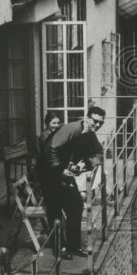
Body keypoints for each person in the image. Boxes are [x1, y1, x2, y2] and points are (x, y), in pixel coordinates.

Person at [41, 106, 105, 258]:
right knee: (55, 211)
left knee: (75, 205)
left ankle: (73, 246)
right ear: (87, 118)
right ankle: (59, 249)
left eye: (100, 123)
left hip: (66, 174)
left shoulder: (90, 134)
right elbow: (51, 148)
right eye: (94, 121)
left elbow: (98, 153)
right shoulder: (72, 129)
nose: (97, 125)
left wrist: (85, 163)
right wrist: (60, 170)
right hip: (49, 172)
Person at [34, 110, 62, 186]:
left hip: (52, 163)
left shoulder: (55, 133)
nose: (56, 125)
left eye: (58, 123)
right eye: (54, 123)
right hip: (46, 167)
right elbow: (50, 153)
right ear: (47, 123)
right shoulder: (45, 135)